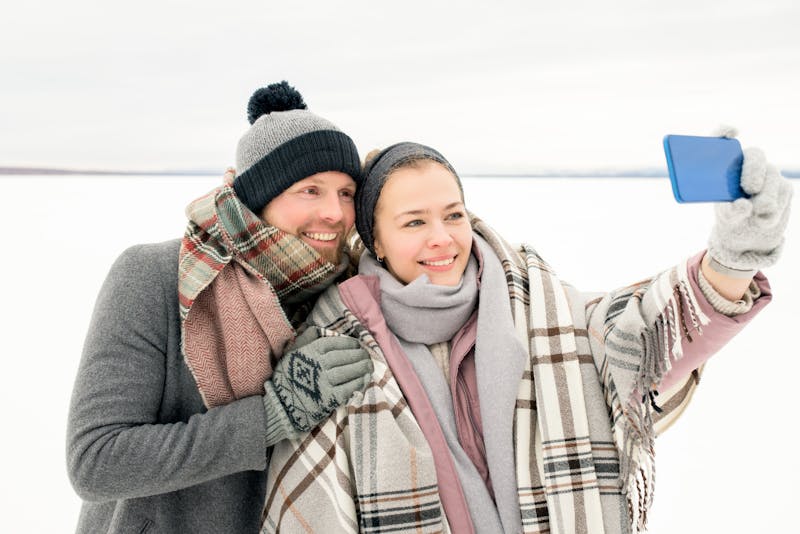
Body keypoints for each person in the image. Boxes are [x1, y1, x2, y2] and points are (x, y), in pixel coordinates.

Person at [261, 139, 791, 533]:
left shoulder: (537, 307)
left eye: (453, 215)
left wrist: (733, 259)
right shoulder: (333, 349)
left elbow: (644, 334)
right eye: (414, 222)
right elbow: (313, 506)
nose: (442, 238)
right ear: (374, 237)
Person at [66, 81, 373, 533]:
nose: (335, 212)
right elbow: (96, 461)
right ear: (259, 195)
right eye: (311, 190)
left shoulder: (345, 294)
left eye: (346, 193)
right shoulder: (154, 276)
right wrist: (270, 417)